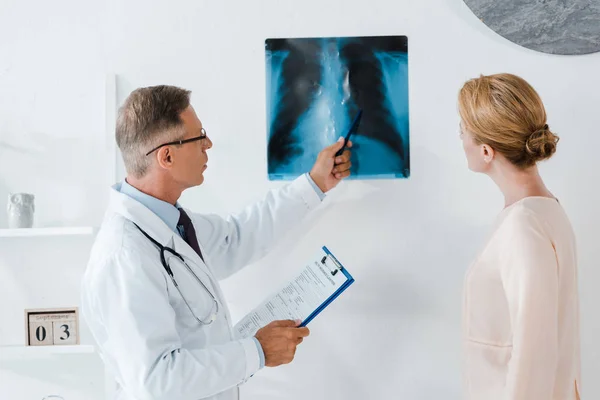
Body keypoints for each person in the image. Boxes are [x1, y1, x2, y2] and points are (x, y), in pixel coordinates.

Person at [80, 85, 352, 400]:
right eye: (199, 137)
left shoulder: (171, 223)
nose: (208, 144)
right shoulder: (123, 257)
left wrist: (315, 183)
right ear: (167, 156)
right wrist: (257, 351)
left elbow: (238, 237)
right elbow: (157, 380)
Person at [458, 73, 581, 399]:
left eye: (463, 130)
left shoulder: (523, 225)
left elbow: (534, 354)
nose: (461, 139)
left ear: (486, 151)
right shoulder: (545, 211)